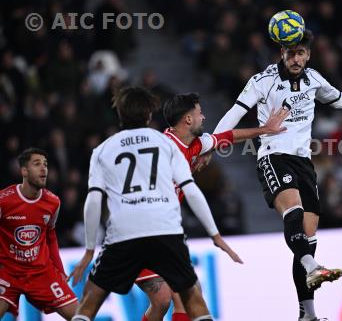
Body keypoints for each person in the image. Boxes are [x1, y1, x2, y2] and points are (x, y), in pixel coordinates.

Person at [213, 29, 342, 321]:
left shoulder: (313, 79)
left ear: (308, 55)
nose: (296, 58)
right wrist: (211, 142)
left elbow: (339, 99)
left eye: (301, 53)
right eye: (291, 53)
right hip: (274, 156)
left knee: (307, 236)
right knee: (294, 211)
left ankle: (308, 314)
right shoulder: (262, 81)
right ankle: (312, 266)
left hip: (304, 163)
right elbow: (235, 113)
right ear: (282, 53)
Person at [68, 87, 242, 321]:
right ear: (149, 114)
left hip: (124, 232)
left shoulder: (103, 150)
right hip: (163, 230)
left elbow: (93, 200)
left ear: (120, 116)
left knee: (89, 303)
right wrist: (215, 235)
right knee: (193, 298)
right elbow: (190, 190)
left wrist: (90, 250)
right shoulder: (166, 143)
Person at [135, 91, 289, 321]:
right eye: (199, 113)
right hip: (143, 231)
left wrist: (264, 129)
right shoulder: (164, 148)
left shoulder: (194, 143)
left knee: (165, 301)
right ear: (187, 120)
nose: (204, 117)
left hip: (164, 232)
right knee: (183, 297)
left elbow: (228, 136)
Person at [0, 148, 78, 319]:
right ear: (24, 171)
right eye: (37, 164)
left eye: (45, 165)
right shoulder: (4, 201)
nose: (44, 169)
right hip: (8, 272)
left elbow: (50, 236)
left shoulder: (53, 202)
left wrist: (60, 270)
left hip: (41, 273)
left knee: (80, 317)